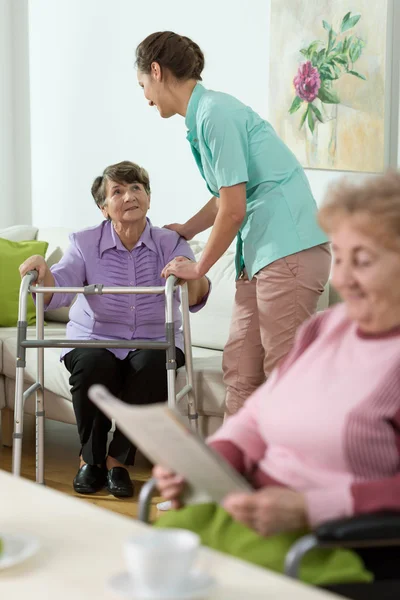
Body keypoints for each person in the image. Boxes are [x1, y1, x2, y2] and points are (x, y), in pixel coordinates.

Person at [153, 172, 400, 583]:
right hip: (251, 510)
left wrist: (309, 508)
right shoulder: (326, 328)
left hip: (330, 542)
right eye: (341, 257)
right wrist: (211, 461)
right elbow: (257, 416)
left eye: (364, 261)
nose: (342, 280)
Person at [136, 31, 331, 417]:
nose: (145, 96)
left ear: (156, 71)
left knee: (284, 376)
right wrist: (188, 229)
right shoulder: (203, 117)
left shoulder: (214, 113)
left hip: (288, 248)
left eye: (142, 84)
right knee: (240, 371)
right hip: (260, 255)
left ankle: (288, 475)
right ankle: (232, 474)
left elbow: (234, 209)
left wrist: (198, 267)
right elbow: (226, 195)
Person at [19, 161, 210, 498]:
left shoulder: (171, 242)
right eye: (118, 191)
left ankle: (115, 460)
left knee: (151, 366)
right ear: (103, 207)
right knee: (94, 365)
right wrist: (42, 271)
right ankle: (89, 461)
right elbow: (58, 288)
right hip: (94, 338)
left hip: (154, 339)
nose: (129, 196)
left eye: (136, 188)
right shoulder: (84, 242)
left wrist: (193, 273)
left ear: (149, 198)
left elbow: (195, 296)